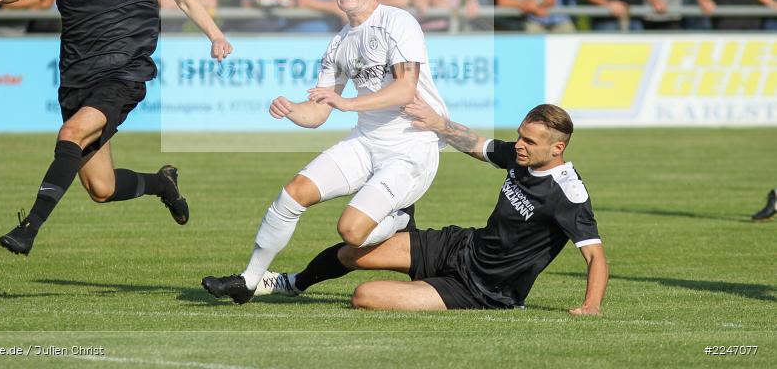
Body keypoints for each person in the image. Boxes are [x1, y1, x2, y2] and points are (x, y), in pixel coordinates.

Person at [0, 0, 233, 256]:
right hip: (75, 79)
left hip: (123, 74)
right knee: (101, 189)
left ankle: (28, 229)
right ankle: (162, 184)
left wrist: (215, 35)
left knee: (70, 133)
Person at [202, 0, 449, 304]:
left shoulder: (398, 22)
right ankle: (249, 281)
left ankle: (398, 219)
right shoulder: (339, 44)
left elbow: (404, 88)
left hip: (411, 149)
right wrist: (292, 109)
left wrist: (347, 103)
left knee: (350, 231)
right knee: (293, 192)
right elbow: (318, 114)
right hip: (366, 142)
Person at [256, 102, 608, 315]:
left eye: (529, 141)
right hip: (463, 246)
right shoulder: (520, 157)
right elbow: (477, 145)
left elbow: (595, 257)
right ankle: (292, 283)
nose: (519, 145)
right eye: (519, 135)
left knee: (364, 296)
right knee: (354, 252)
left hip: (482, 290)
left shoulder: (569, 194)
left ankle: (412, 245)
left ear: (557, 147)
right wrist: (437, 123)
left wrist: (590, 306)